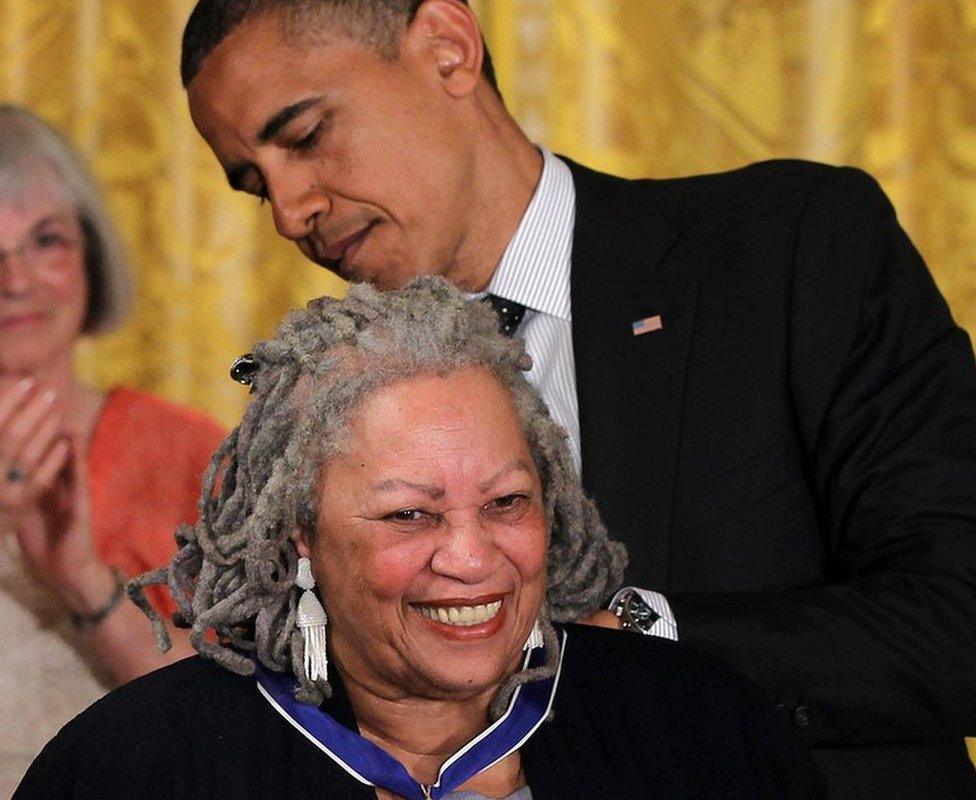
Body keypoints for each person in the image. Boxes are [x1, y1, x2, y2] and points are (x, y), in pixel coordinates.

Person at [174, 2, 976, 798]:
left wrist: (628, 640)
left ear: (447, 49)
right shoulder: (318, 401)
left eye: (307, 136)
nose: (289, 212)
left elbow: (958, 615)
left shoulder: (789, 250)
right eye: (255, 186)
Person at [15, 279, 827, 799]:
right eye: (410, 515)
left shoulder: (701, 731)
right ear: (301, 533)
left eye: (508, 501)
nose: (472, 559)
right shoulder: (141, 769)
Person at [0, 105, 226, 793]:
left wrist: (84, 582)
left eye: (46, 242)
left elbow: (231, 729)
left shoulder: (192, 454)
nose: (16, 282)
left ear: (91, 255)